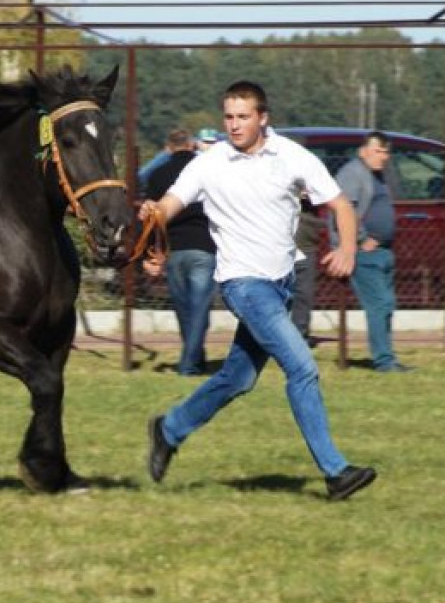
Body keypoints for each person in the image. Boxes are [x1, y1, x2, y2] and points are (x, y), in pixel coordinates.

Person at [141, 80, 377, 502]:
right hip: (243, 284)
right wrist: (152, 217)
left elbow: (340, 204)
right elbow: (168, 206)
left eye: (243, 117)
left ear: (263, 118)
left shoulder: (289, 156)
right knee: (302, 367)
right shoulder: (209, 163)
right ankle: (336, 472)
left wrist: (346, 248)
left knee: (238, 378)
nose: (234, 125)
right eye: (228, 117)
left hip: (281, 282)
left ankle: (169, 429)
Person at [331, 131, 412, 373]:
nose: (383, 157)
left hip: (384, 252)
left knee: (387, 304)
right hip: (364, 254)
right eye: (378, 151)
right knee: (379, 304)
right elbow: (344, 211)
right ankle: (384, 361)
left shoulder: (377, 175)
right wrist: (361, 238)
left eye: (386, 152)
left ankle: (387, 357)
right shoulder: (352, 173)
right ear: (363, 151)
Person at [145, 128, 217, 376]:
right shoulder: (206, 171)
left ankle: (193, 359)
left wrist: (152, 252)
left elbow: (154, 217)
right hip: (205, 245)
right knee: (200, 309)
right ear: (191, 145)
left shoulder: (157, 175)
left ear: (168, 147)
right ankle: (190, 363)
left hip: (174, 247)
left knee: (184, 308)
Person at [291, 196, 323, 346]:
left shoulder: (312, 174)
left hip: (306, 243)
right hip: (275, 243)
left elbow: (327, 193)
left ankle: (299, 337)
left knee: (304, 294)